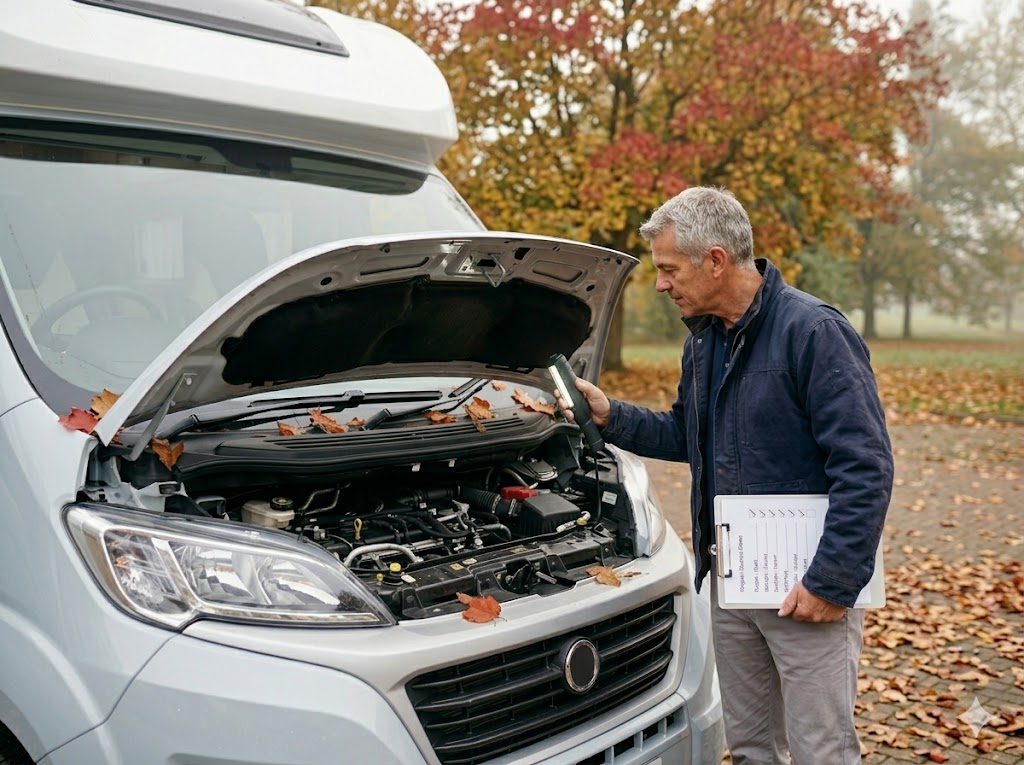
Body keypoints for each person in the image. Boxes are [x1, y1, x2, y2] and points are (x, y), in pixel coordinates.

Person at [569, 187, 894, 764]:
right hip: (734, 579)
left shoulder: (814, 333)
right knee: (748, 748)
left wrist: (833, 582)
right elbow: (685, 435)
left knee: (822, 751)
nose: (662, 283)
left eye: (669, 268)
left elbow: (865, 466)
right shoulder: (703, 344)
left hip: (806, 590)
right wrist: (610, 415)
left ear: (715, 260)